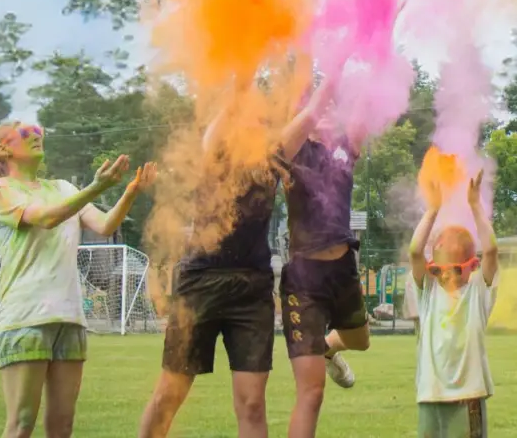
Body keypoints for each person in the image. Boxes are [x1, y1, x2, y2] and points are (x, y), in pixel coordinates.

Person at [139, 68, 343, 438]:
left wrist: (343, 58)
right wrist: (245, 67)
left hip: (252, 289)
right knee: (169, 394)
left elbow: (312, 112)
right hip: (201, 282)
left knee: (252, 403)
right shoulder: (214, 148)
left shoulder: (274, 154)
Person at [0, 121, 155, 438]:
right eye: (24, 132)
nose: (35, 135)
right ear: (3, 149)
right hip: (25, 319)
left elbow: (103, 225)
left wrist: (129, 191)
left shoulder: (62, 188)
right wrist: (97, 187)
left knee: (63, 426)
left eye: (37, 130)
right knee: (21, 424)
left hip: (70, 318)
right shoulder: (2, 190)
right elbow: (47, 218)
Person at [279, 59, 368, 437]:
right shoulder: (292, 151)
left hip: (343, 268)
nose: (329, 109)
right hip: (304, 280)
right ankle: (322, 354)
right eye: (321, 106)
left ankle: (331, 348)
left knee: (361, 341)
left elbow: (373, 90)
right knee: (312, 393)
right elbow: (310, 98)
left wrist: (380, 29)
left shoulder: (346, 150)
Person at [409, 168, 499, 437]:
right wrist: (432, 210)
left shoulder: (478, 294)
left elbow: (492, 250)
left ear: (472, 266)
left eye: (455, 269)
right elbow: (415, 251)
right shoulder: (429, 293)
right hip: (430, 395)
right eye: (437, 270)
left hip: (467, 396)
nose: (445, 276)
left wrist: (474, 205)